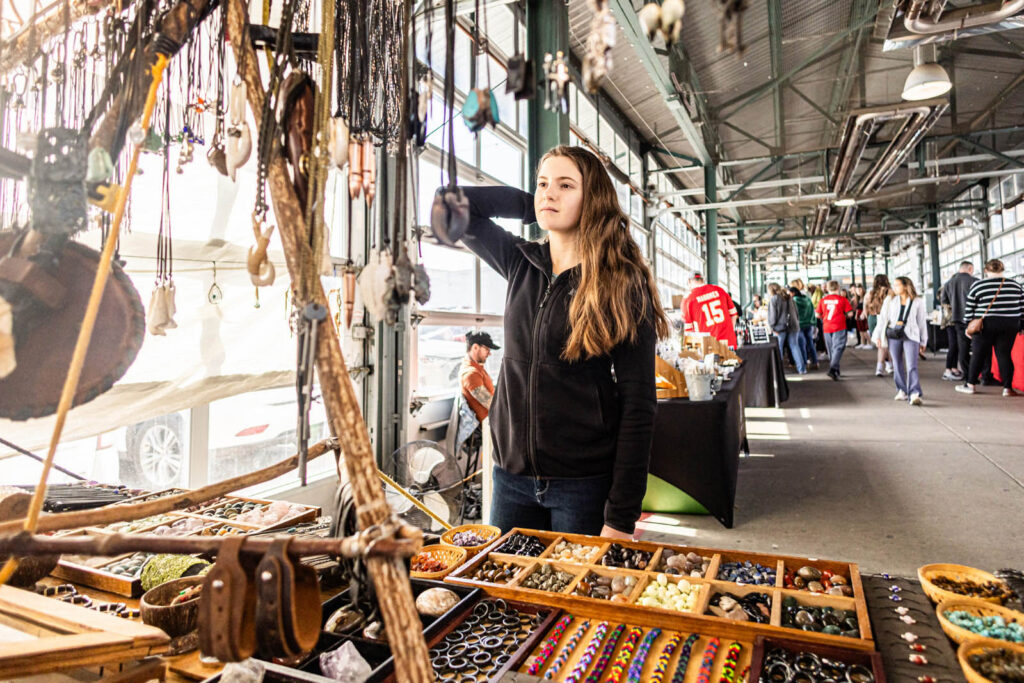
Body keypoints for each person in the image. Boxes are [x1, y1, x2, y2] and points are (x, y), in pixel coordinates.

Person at [451, 145, 669, 539]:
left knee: (573, 599)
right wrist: (531, 205)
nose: (549, 193)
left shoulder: (621, 283)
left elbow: (639, 405)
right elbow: (451, 206)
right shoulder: (521, 261)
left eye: (565, 185)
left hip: (582, 485)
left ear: (593, 199)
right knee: (510, 597)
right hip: (510, 477)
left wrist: (621, 515)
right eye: (542, 183)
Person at [955, 259, 1024, 397]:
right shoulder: (1015, 285)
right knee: (1004, 355)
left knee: (978, 355)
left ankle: (970, 385)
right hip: (1009, 325)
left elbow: (970, 308)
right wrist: (1021, 325)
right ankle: (1007, 388)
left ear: (986, 270)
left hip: (985, 325)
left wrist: (968, 324)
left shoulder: (978, 285)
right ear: (1003, 269)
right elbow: (1022, 308)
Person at [873, 277, 929, 405]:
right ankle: (902, 390)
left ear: (906, 286)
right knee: (897, 364)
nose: (894, 287)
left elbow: (921, 322)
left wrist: (923, 341)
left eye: (897, 285)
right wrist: (878, 336)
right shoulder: (890, 300)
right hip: (894, 334)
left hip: (912, 335)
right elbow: (882, 318)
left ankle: (914, 392)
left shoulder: (917, 301)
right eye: (894, 285)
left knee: (911, 365)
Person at [940, 261, 977, 382]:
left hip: (956, 319)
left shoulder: (948, 283)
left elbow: (944, 301)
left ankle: (967, 375)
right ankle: (982, 374)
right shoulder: (975, 281)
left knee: (962, 348)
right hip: (974, 319)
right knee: (978, 347)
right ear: (970, 268)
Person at [681, 272, 739, 348]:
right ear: (703, 280)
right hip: (728, 342)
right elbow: (734, 315)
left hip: (707, 345)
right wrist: (729, 332)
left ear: (689, 281)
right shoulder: (719, 290)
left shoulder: (687, 299)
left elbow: (688, 330)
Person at [816, 280, 853, 380]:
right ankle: (833, 369)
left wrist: (824, 317)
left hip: (827, 327)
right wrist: (843, 315)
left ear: (827, 288)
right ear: (838, 288)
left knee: (831, 349)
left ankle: (836, 371)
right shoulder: (842, 300)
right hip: (839, 326)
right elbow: (850, 313)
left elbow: (817, 314)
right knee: (839, 347)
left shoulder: (823, 300)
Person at [767, 283, 806, 374]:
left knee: (779, 348)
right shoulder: (789, 297)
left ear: (771, 290)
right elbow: (796, 312)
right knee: (795, 346)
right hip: (793, 325)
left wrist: (772, 327)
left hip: (779, 327)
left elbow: (773, 316)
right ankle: (802, 369)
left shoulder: (774, 299)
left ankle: (779, 372)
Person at [460, 331, 499, 421]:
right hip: (488, 425)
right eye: (487, 349)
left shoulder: (477, 367)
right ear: (475, 347)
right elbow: (492, 405)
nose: (489, 354)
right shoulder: (471, 374)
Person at [864, 274, 893, 376]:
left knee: (881, 345)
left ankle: (886, 366)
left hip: (872, 319)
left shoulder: (870, 293)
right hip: (885, 319)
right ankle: (882, 367)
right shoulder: (890, 292)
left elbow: (865, 308)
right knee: (885, 345)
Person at [790, 285, 818, 370]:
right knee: (810, 343)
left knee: (802, 344)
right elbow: (813, 311)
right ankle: (815, 362)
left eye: (790, 293)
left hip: (799, 325)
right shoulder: (808, 299)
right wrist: (814, 322)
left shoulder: (793, 301)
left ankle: (805, 363)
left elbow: (793, 313)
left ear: (793, 293)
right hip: (809, 324)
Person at [854, 284, 871, 348]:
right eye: (857, 290)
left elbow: (866, 307)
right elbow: (857, 308)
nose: (858, 291)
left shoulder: (865, 297)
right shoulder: (858, 298)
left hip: (863, 314)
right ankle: (862, 343)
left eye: (860, 289)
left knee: (864, 330)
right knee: (860, 330)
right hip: (858, 315)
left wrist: (864, 314)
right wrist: (856, 315)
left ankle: (869, 343)